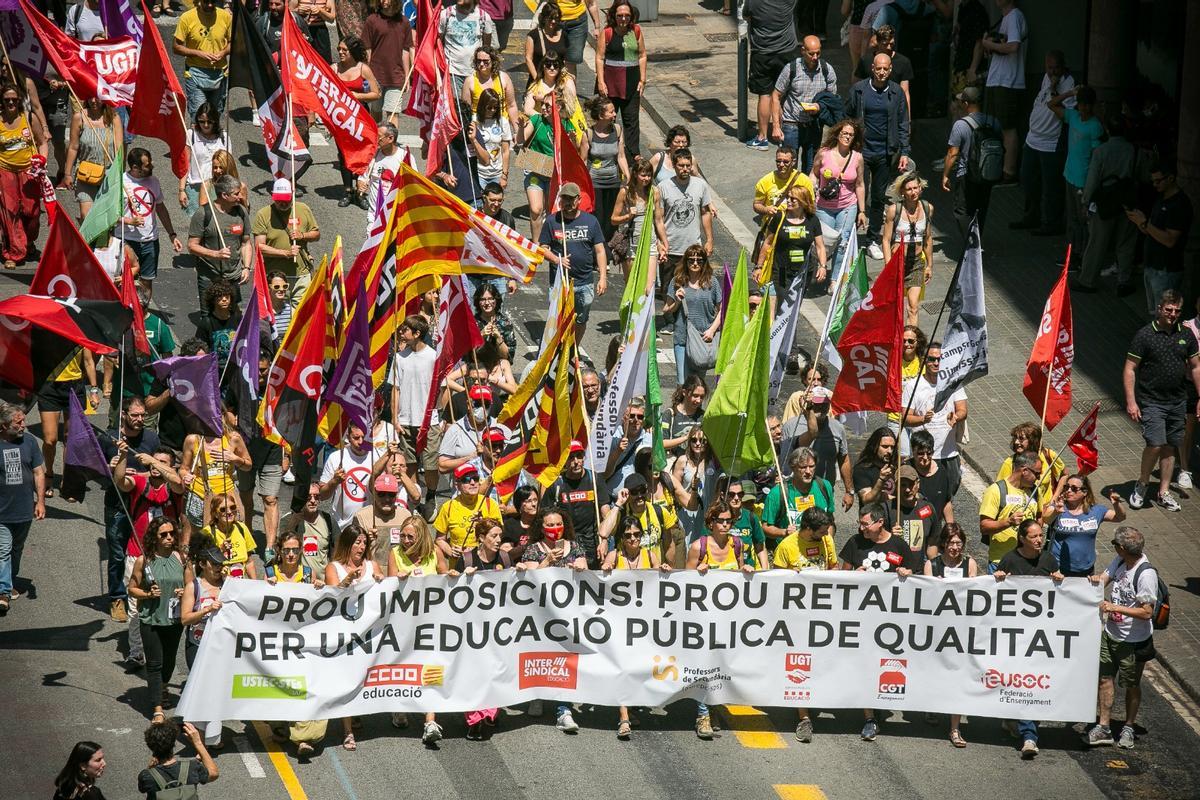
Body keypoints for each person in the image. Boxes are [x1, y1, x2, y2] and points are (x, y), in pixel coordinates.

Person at [841, 502, 920, 742]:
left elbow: (918, 577)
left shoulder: (899, 546)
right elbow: (840, 576)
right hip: (862, 620)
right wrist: (855, 574)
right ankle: (869, 717)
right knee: (866, 666)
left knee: (887, 665)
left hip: (892, 621)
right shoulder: (855, 543)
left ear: (879, 523)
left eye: (865, 523)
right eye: (860, 523)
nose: (861, 527)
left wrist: (908, 574)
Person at [1125, 290, 1200, 511]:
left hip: (1177, 400)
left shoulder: (1186, 334)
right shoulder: (1145, 335)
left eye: (1177, 310)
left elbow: (1196, 367)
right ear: (1159, 309)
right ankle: (1143, 482)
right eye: (1168, 310)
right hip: (1152, 401)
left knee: (1170, 447)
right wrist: (1131, 401)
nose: (1173, 314)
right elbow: (1129, 369)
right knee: (1155, 444)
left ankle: (1164, 491)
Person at [992, 519, 1062, 758]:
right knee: (1024, 682)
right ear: (1022, 538)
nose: (1039, 540)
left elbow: (1059, 594)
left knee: (1036, 683)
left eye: (1041, 535)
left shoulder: (1048, 560)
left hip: (1041, 635)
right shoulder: (1010, 560)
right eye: (1033, 536)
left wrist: (1062, 582)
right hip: (1017, 637)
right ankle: (1029, 736)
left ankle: (1016, 721)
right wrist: (999, 579)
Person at [1086, 525, 1159, 750]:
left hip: (1134, 642)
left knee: (1131, 684)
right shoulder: (1119, 562)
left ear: (1121, 548)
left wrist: (1114, 606)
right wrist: (1069, 582)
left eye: (1115, 545)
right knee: (1104, 679)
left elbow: (1147, 612)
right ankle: (1104, 726)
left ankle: (1128, 725)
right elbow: (1101, 580)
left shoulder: (1146, 574)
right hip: (1111, 634)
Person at [602, 515, 668, 738]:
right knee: (623, 667)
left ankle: (630, 706)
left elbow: (663, 582)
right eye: (628, 535)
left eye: (637, 535)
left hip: (645, 624)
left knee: (638, 668)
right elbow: (602, 581)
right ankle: (623, 717)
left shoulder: (651, 555)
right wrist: (606, 569)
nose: (633, 539)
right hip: (620, 622)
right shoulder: (615, 555)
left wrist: (665, 570)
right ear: (621, 538)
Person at [845, 54, 911, 260]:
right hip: (861, 151)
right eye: (878, 68)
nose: (882, 72)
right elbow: (846, 115)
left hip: (885, 152)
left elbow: (903, 123)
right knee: (856, 194)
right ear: (872, 68)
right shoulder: (859, 90)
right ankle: (851, 236)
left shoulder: (896, 92)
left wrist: (905, 152)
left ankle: (873, 238)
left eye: (886, 69)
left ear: (890, 70)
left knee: (878, 197)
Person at [324, 525, 384, 749]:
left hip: (369, 634)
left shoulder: (372, 566)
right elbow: (332, 597)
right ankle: (347, 731)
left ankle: (358, 711)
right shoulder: (334, 567)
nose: (361, 547)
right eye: (357, 542)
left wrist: (380, 579)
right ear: (347, 545)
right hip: (346, 633)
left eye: (364, 543)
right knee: (347, 678)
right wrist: (348, 580)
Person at [127, 517, 186, 724]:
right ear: (155, 537)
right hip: (151, 619)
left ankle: (162, 686)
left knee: (169, 662)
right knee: (154, 663)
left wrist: (184, 592)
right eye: (164, 534)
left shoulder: (181, 558)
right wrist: (147, 594)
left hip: (174, 619)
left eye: (171, 534)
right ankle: (157, 708)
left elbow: (192, 585)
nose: (169, 538)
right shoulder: (144, 560)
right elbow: (131, 588)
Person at [922, 522, 976, 747]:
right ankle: (932, 706)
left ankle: (955, 728)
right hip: (937, 629)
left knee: (958, 677)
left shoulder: (970, 563)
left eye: (958, 543)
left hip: (961, 629)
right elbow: (927, 594)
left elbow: (976, 592)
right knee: (936, 672)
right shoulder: (931, 564)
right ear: (943, 544)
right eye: (951, 543)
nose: (955, 547)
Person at [1072, 115, 1138, 295]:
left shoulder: (1101, 151)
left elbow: (1093, 179)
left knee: (1097, 242)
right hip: (1126, 200)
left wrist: (1085, 201)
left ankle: (1087, 281)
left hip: (1105, 201)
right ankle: (1123, 281)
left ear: (1107, 131)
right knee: (1125, 243)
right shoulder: (1132, 149)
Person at [1012, 51, 1074, 235]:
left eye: (1055, 68)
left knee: (1051, 187)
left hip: (1050, 142)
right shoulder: (1046, 79)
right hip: (1033, 139)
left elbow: (1063, 110)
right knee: (1028, 179)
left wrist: (1055, 88)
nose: (1052, 72)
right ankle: (1032, 216)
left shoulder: (1068, 83)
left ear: (1062, 67)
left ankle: (1051, 223)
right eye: (1049, 68)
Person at [538, 181, 608, 340]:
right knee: (557, 321)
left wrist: (603, 277)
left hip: (584, 282)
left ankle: (573, 350)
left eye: (571, 199)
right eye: (564, 199)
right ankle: (558, 351)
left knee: (581, 320)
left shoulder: (591, 221)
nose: (568, 203)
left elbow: (600, 250)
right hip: (560, 283)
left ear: (579, 200)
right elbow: (542, 248)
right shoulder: (552, 221)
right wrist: (557, 259)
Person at [1129, 161, 1193, 315]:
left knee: (1165, 315)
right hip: (1152, 265)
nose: (1155, 185)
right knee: (1155, 313)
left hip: (1166, 269)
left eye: (1158, 181)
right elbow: (1153, 230)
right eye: (1153, 181)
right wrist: (1140, 222)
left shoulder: (1179, 204)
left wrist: (1144, 223)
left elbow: (1170, 240)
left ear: (1171, 178)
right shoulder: (1161, 198)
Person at [1051, 85, 1104, 269]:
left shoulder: (1095, 126)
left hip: (1083, 181)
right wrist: (1069, 93)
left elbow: (1097, 157)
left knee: (1082, 220)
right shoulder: (1072, 116)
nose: (1083, 108)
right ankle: (1072, 255)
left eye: (1087, 105)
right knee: (1073, 219)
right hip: (1070, 176)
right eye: (1081, 104)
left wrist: (1092, 183)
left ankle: (1082, 257)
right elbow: (1051, 104)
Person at [120, 148, 183, 300]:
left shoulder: (153, 181)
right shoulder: (120, 181)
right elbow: (108, 215)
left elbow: (160, 208)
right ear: (135, 168)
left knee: (146, 282)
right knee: (125, 280)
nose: (152, 167)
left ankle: (144, 313)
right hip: (126, 240)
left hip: (150, 241)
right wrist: (129, 221)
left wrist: (172, 234)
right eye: (147, 165)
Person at [0, 403, 45, 616]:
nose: (23, 425)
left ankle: (8, 581)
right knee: (3, 550)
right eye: (18, 423)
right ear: (3, 426)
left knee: (16, 550)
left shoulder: (29, 442)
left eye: (23, 421)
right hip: (2, 513)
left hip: (24, 511)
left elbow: (38, 473)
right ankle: (3, 592)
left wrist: (41, 502)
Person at [898, 341, 966, 479]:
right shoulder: (913, 386)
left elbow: (962, 409)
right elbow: (905, 418)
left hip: (948, 455)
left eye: (940, 359)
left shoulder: (953, 383)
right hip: (923, 456)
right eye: (931, 359)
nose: (936, 363)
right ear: (924, 360)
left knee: (948, 497)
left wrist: (956, 417)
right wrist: (923, 419)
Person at [770, 36, 838, 172]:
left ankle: (805, 192)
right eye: (811, 53)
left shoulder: (827, 70)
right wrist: (776, 126)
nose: (815, 57)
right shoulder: (791, 69)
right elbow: (776, 96)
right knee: (788, 166)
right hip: (792, 123)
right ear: (803, 51)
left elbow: (832, 100)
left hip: (814, 124)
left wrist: (820, 107)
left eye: (818, 53)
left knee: (811, 167)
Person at [941, 87, 1000, 240]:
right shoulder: (994, 122)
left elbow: (952, 153)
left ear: (966, 103)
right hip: (988, 174)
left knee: (961, 211)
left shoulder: (960, 125)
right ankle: (977, 238)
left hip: (966, 175)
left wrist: (945, 175)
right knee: (981, 208)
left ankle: (971, 241)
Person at [0, 82, 48, 271]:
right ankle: (13, 252)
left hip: (28, 170)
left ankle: (28, 244)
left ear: (19, 100)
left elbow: (42, 143)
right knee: (10, 211)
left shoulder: (29, 118)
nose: (11, 103)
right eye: (7, 100)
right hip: (5, 170)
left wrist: (41, 161)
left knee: (32, 211)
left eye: (14, 99)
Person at [756, 184, 826, 309]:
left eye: (793, 199)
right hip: (782, 270)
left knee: (795, 305)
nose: (788, 201)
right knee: (784, 304)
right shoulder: (779, 217)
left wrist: (823, 266)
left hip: (804, 272)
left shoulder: (812, 220)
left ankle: (791, 329)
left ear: (803, 201)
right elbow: (767, 243)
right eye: (788, 197)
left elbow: (820, 246)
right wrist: (759, 266)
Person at [741, 0, 799, 150]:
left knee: (765, 95)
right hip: (786, 51)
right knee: (783, 94)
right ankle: (782, 134)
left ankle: (762, 137)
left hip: (763, 53)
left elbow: (746, 15)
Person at [543, 440, 611, 568]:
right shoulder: (556, 484)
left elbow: (606, 513)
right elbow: (544, 517)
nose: (576, 461)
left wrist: (605, 540)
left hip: (592, 543)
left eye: (579, 456)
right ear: (565, 460)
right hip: (566, 543)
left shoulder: (595, 480)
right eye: (571, 457)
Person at [1043, 473, 1125, 578]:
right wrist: (1056, 512)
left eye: (1074, 488)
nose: (1068, 491)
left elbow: (1120, 517)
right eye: (1066, 487)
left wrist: (1116, 504)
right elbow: (1046, 519)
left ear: (1084, 492)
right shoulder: (1058, 507)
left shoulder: (1096, 510)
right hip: (1058, 569)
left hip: (1086, 569)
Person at [810, 120, 866, 275]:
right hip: (824, 206)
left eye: (851, 135)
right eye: (845, 133)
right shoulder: (824, 153)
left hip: (848, 206)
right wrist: (812, 188)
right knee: (825, 242)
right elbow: (814, 174)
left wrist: (862, 211)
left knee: (843, 243)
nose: (847, 137)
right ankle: (819, 267)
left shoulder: (857, 157)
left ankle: (835, 279)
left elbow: (860, 184)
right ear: (838, 134)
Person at [253, 178, 320, 305]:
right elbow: (259, 247)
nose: (282, 203)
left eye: (286, 200)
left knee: (300, 317)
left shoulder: (303, 209)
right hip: (276, 278)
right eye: (279, 200)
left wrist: (302, 235)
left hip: (301, 274)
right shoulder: (263, 214)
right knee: (279, 316)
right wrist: (286, 253)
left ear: (292, 194)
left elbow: (316, 234)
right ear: (272, 195)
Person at [980, 0, 1027, 182]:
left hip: (1008, 81)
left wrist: (989, 44)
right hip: (999, 79)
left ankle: (1009, 172)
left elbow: (1013, 46)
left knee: (1008, 127)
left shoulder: (1015, 16)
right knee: (999, 126)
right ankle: (997, 169)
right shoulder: (1004, 18)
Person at [521, 88, 576, 240]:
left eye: (547, 105)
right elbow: (520, 140)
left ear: (557, 108)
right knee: (536, 209)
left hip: (554, 175)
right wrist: (520, 129)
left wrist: (571, 140)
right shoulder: (537, 120)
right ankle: (537, 245)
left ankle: (550, 243)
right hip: (535, 172)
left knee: (552, 211)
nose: (543, 108)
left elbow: (573, 153)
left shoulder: (566, 124)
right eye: (543, 105)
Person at [662, 245, 722, 383]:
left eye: (699, 260)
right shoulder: (677, 282)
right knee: (683, 382)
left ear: (704, 262)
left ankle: (695, 405)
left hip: (703, 338)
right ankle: (680, 404)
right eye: (691, 260)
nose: (695, 263)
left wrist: (712, 330)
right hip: (683, 337)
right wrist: (677, 300)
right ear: (686, 262)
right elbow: (666, 309)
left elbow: (722, 310)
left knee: (698, 383)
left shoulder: (712, 283)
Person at [188, 175, 251, 307]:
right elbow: (192, 246)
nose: (240, 197)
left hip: (233, 276)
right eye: (236, 194)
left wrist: (246, 267)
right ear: (224, 195)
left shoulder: (242, 212)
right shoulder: (203, 213)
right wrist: (216, 254)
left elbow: (246, 243)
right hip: (209, 276)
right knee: (208, 317)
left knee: (232, 316)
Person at [654, 149, 715, 283]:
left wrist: (709, 240)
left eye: (688, 165)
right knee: (669, 294)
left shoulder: (701, 185)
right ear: (674, 166)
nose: (685, 169)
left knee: (692, 293)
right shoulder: (663, 187)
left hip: (693, 252)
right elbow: (659, 219)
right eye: (681, 166)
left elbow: (705, 213)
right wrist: (659, 243)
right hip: (670, 249)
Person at [595, 0, 645, 164]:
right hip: (610, 86)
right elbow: (600, 57)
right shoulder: (608, 32)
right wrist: (601, 82)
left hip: (631, 85)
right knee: (607, 118)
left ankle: (633, 155)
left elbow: (642, 55)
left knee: (631, 121)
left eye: (626, 16)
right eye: (620, 15)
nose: (623, 19)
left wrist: (642, 80)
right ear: (614, 16)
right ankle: (605, 151)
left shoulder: (636, 31)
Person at [881, 171, 933, 325]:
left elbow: (928, 239)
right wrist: (888, 265)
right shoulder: (894, 210)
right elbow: (885, 240)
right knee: (895, 306)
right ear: (902, 192)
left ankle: (911, 343)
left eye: (916, 188)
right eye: (909, 189)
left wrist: (929, 265)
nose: (913, 192)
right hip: (897, 263)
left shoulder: (927, 208)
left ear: (921, 188)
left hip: (916, 263)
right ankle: (896, 340)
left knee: (913, 307)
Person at [762, 447, 836, 550]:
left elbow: (831, 521)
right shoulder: (778, 493)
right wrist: (784, 532)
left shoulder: (824, 486)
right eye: (803, 467)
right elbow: (766, 527)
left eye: (812, 466)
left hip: (818, 551)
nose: (808, 471)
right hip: (790, 553)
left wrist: (829, 542)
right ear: (793, 468)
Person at [980, 451, 1042, 569]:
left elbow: (1040, 517)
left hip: (1029, 561)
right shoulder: (996, 490)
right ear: (1024, 471)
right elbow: (984, 527)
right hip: (1001, 562)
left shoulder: (1035, 491)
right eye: (1037, 474)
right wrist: (1008, 522)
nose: (1038, 479)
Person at [62, 95, 120, 222]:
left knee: (105, 219)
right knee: (86, 216)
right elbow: (73, 147)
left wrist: (119, 176)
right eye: (90, 97)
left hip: (108, 175)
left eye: (97, 98)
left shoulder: (114, 119)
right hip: (85, 175)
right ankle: (87, 241)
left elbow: (118, 151)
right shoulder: (79, 117)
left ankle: (101, 242)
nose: (93, 101)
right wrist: (67, 174)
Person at [173, 0, 232, 118]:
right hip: (195, 73)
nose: (210, 5)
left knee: (215, 116)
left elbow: (233, 43)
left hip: (219, 73)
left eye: (213, 2)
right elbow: (176, 47)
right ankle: (195, 135)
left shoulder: (226, 16)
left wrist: (223, 52)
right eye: (206, 2)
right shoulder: (187, 17)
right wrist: (198, 53)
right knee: (199, 116)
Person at [583, 95, 630, 242]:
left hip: (613, 181)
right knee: (598, 217)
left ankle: (607, 247)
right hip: (594, 182)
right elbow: (583, 161)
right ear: (601, 115)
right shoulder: (588, 134)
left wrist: (628, 177)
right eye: (611, 112)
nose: (615, 114)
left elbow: (621, 156)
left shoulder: (617, 130)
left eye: (614, 111)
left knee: (611, 219)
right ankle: (600, 250)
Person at [434, 463, 503, 559]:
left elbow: (499, 534)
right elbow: (439, 539)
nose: (472, 483)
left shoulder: (490, 504)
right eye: (466, 480)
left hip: (485, 562)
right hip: (459, 565)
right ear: (457, 485)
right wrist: (451, 551)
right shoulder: (448, 507)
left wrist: (482, 522)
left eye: (475, 478)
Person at [362, 0, 414, 123]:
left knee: (393, 113)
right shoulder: (372, 20)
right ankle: (376, 140)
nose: (383, 1)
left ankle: (392, 141)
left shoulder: (404, 22)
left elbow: (405, 50)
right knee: (376, 112)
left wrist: (407, 76)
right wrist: (366, 74)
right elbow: (367, 49)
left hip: (396, 76)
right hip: (375, 75)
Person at [137, 720, 218, 797]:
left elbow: (142, 789)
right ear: (173, 743)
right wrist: (198, 743)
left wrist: (150, 769)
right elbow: (213, 774)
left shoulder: (146, 775)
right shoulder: (192, 767)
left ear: (149, 745)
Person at [995, 421, 1066, 509]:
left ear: (1033, 441)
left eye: (1021, 439)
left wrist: (1054, 498)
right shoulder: (1010, 462)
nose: (1016, 442)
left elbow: (1065, 474)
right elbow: (999, 490)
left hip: (1045, 512)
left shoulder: (1048, 455)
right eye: (1015, 438)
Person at [178, 104, 231, 219]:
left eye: (209, 122)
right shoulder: (191, 135)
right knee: (197, 226)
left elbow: (229, 166)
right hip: (195, 187)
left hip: (217, 187)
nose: (206, 125)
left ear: (215, 121)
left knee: (215, 224)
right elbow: (185, 163)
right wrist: (181, 189)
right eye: (202, 121)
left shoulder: (224, 137)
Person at [852, 25, 913, 118]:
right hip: (870, 110)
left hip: (893, 110)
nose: (889, 47)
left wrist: (907, 119)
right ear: (878, 42)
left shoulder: (903, 62)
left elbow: (905, 92)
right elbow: (857, 88)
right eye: (885, 44)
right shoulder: (866, 61)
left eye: (891, 44)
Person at [611, 158, 657, 277]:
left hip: (649, 242)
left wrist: (663, 242)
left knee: (648, 284)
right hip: (631, 244)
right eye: (643, 175)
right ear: (635, 174)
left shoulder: (654, 192)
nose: (646, 178)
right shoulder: (625, 192)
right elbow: (613, 220)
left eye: (649, 175)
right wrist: (628, 216)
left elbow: (659, 220)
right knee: (630, 282)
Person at [439, 0, 495, 96]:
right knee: (457, 107)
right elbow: (438, 41)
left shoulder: (484, 17)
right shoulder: (446, 15)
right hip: (452, 72)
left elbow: (486, 48)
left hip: (475, 72)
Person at [885, 464, 939, 556]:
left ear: (918, 484)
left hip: (919, 568)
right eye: (903, 485)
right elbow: (877, 543)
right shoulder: (886, 508)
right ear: (896, 486)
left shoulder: (927, 508)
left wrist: (933, 566)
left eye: (911, 484)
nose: (907, 489)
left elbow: (932, 543)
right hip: (894, 567)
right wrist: (889, 537)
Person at [471, 89, 513, 196]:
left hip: (497, 173)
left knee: (495, 205)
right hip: (478, 172)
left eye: (496, 107)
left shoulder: (502, 121)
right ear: (482, 105)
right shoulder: (474, 121)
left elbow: (506, 151)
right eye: (489, 107)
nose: (493, 110)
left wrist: (504, 175)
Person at [193, 280, 241, 368]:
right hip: (214, 370)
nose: (224, 299)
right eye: (220, 296)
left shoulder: (237, 318)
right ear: (213, 300)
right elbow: (198, 347)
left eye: (227, 296)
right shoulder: (206, 322)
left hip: (234, 368)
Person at [524, 4, 569, 89]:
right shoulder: (533, 35)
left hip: (558, 82)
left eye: (556, 19)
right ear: (544, 18)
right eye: (550, 18)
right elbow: (528, 59)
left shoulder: (564, 35)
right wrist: (538, 80)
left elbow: (566, 59)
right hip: (538, 80)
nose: (553, 21)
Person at [661, 375, 707, 455]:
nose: (699, 400)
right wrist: (686, 437)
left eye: (702, 397)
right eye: (695, 396)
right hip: (674, 462)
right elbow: (662, 444)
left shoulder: (703, 416)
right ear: (684, 392)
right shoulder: (669, 414)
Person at [852, 427, 897, 507]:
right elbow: (866, 500)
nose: (889, 451)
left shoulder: (897, 467)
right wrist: (881, 480)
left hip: (894, 516)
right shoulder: (862, 469)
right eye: (885, 446)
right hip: (873, 516)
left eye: (892, 447)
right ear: (874, 446)